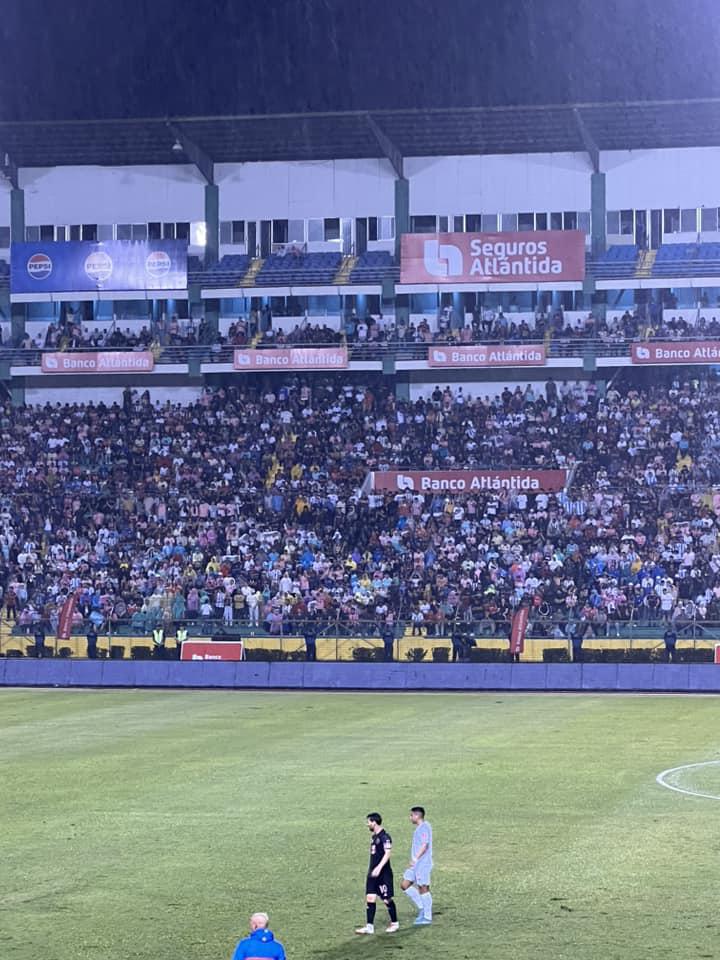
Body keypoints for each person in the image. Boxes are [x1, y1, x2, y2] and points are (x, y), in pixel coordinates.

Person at [356, 813, 399, 935]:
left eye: (369, 822)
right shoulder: (374, 837)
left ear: (374, 822)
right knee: (370, 897)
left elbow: (387, 853)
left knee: (386, 899)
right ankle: (369, 927)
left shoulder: (385, 837)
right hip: (372, 873)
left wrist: (379, 868)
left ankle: (395, 923)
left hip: (383, 874)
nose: (367, 824)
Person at [401, 805, 433, 925]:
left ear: (417, 816)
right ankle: (422, 907)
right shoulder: (421, 827)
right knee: (404, 885)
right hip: (415, 865)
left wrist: (415, 858)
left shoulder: (424, 827)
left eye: (411, 815)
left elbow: (425, 845)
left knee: (423, 888)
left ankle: (427, 916)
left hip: (422, 864)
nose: (410, 818)